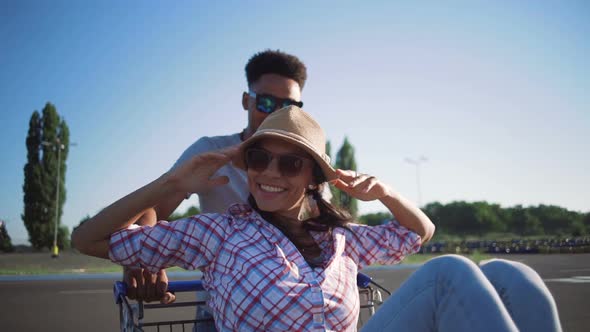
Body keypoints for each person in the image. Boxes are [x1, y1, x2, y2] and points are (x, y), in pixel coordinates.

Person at [72, 106, 561, 331]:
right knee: (449, 273)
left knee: (511, 275)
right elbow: (88, 238)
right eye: (260, 158)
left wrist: (386, 192)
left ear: (312, 176)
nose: (269, 173)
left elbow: (420, 232)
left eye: (290, 163)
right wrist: (173, 184)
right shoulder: (219, 233)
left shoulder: (341, 238)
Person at [125, 49, 309, 303]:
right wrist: (144, 257)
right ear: (247, 100)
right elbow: (155, 207)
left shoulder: (307, 163)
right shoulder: (211, 153)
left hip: (290, 308)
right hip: (220, 307)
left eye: (288, 106)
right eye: (266, 102)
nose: (277, 114)